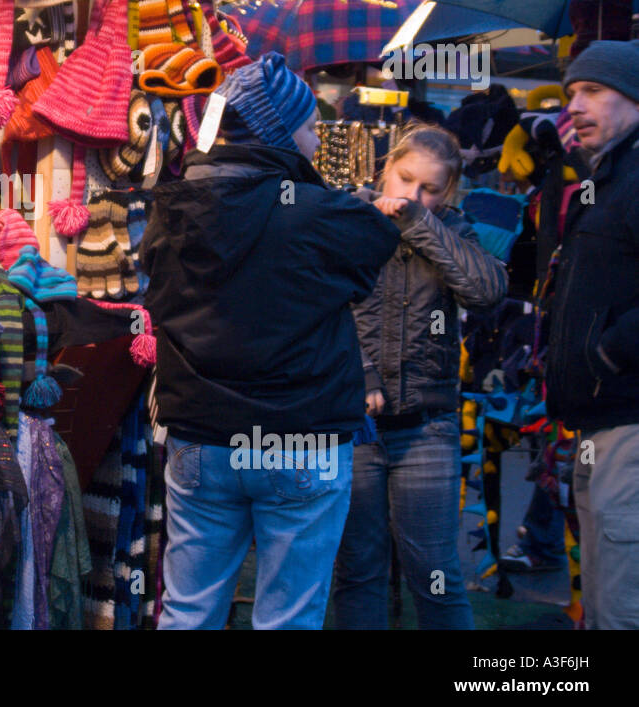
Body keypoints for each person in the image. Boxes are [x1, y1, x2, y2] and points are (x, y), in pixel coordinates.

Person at [142, 52, 400, 629]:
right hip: (300, 441)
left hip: (202, 439)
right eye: (309, 128)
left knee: (186, 612)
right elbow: (375, 243)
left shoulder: (176, 207)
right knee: (289, 618)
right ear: (280, 133)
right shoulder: (321, 213)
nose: (315, 144)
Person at [333, 124, 507, 629]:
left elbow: (486, 291)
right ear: (387, 167)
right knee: (358, 572)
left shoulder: (454, 230)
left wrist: (420, 225)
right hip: (355, 427)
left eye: (430, 188)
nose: (412, 195)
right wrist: (363, 374)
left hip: (428, 426)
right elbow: (323, 306)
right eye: (405, 179)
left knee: (434, 574)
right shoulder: (349, 217)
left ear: (448, 191)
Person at [544, 39, 639, 629]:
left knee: (622, 604)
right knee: (603, 597)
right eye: (571, 91)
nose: (575, 104)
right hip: (592, 420)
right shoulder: (605, 178)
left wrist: (607, 353)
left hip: (627, 420)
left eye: (594, 90)